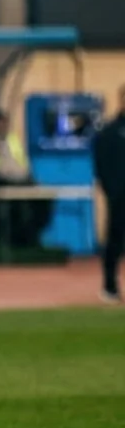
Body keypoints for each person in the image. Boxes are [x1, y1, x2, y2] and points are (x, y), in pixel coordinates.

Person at [93, 84, 125, 302]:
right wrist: (112, 190)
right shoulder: (110, 132)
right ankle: (110, 286)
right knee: (115, 241)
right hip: (119, 197)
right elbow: (101, 164)